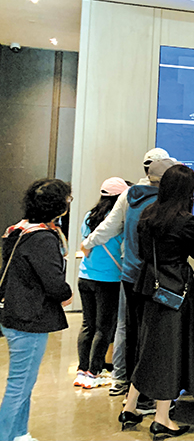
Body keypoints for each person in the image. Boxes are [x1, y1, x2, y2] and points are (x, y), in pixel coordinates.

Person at [119, 165, 194, 438]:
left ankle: (130, 406)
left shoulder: (148, 214)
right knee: (169, 353)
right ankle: (162, 418)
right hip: (175, 291)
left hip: (149, 286)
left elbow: (141, 251)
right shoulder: (185, 220)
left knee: (149, 347)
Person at [80, 147, 171, 397]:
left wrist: (88, 243)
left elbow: (109, 226)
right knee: (152, 330)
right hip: (158, 276)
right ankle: (146, 388)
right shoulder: (168, 197)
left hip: (130, 273)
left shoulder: (130, 194)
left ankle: (121, 380)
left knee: (124, 327)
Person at [0, 179, 74, 441]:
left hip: (14, 311)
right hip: (29, 317)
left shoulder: (18, 230)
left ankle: (20, 433)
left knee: (24, 383)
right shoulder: (43, 238)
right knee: (20, 385)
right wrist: (66, 294)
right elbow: (53, 281)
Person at [74, 177, 129, 389]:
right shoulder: (117, 220)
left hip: (85, 276)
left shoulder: (89, 216)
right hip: (108, 278)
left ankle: (82, 370)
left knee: (87, 325)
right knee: (103, 328)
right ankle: (94, 372)